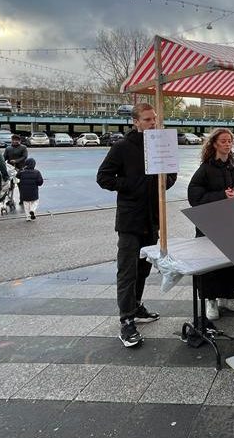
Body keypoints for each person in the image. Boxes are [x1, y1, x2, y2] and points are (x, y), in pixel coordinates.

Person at [96, 102, 177, 348]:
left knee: (144, 268)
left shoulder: (161, 144)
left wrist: (165, 181)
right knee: (128, 270)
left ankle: (136, 305)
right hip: (130, 220)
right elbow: (104, 178)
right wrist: (132, 185)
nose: (153, 123)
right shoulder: (122, 147)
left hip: (153, 218)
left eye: (154, 119)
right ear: (135, 122)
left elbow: (171, 174)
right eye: (147, 119)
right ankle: (126, 320)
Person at [188, 127, 234, 321]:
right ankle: (211, 300)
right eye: (223, 141)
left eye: (230, 140)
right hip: (210, 224)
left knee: (232, 261)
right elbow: (194, 196)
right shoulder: (205, 168)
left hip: (232, 223)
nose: (227, 144)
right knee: (210, 263)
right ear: (215, 143)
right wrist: (221, 196)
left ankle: (228, 296)